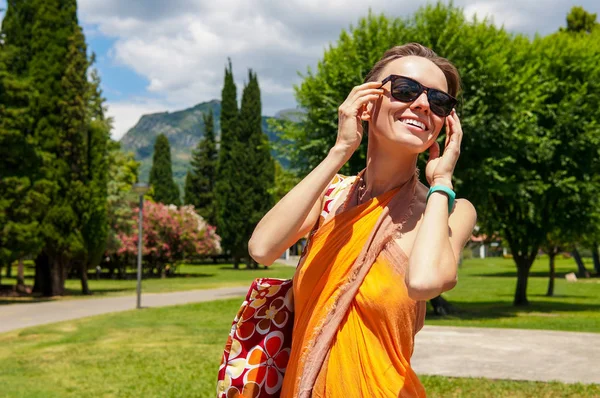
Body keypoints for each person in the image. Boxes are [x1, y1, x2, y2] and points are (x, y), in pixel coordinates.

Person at [248, 43, 477, 397]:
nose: (422, 105)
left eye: (439, 102)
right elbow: (263, 248)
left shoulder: (450, 210)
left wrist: (441, 181)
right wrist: (340, 150)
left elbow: (424, 282)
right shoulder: (330, 195)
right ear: (367, 102)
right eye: (405, 89)